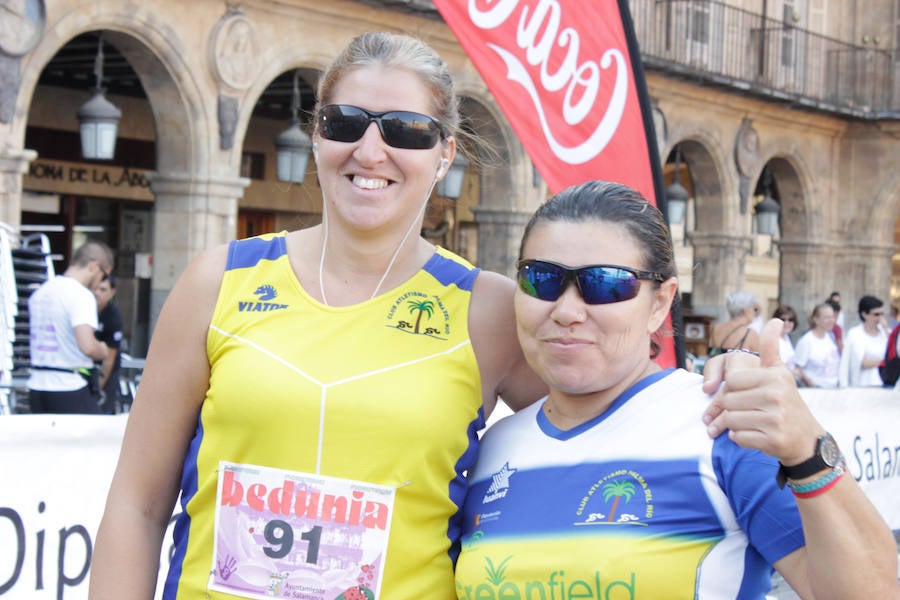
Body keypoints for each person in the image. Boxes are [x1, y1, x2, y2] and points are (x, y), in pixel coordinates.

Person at [88, 32, 549, 599]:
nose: (370, 152)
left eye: (405, 130)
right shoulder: (218, 282)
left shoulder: (490, 310)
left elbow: (603, 421)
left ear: (445, 152)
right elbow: (137, 505)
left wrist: (692, 403)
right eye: (345, 123)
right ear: (316, 136)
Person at [455, 181, 898, 599]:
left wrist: (807, 448)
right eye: (542, 279)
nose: (567, 310)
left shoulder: (722, 424)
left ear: (661, 303)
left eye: (606, 284)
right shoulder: (493, 449)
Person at [27, 239, 111, 414]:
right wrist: (102, 350)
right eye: (104, 276)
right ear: (94, 266)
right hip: (69, 386)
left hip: (37, 385)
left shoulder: (41, 292)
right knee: (94, 439)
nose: (99, 285)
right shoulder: (81, 295)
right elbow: (87, 346)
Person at [838, 295, 888, 387]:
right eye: (876, 314)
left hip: (884, 383)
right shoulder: (854, 334)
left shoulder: (884, 333)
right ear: (864, 314)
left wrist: (886, 330)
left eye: (881, 314)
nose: (880, 318)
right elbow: (858, 362)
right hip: (862, 384)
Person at [94, 274, 125, 413]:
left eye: (103, 290)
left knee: (103, 410)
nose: (97, 293)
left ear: (112, 292)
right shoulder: (85, 309)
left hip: (107, 370)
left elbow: (110, 357)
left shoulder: (113, 317)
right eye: (95, 288)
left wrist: (99, 386)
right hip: (87, 367)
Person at [793, 303, 841, 388]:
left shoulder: (830, 338)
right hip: (815, 391)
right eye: (827, 317)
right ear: (816, 319)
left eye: (832, 317)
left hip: (833, 388)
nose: (831, 320)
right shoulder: (806, 341)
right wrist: (812, 385)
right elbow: (798, 368)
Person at [707, 290, 760, 356]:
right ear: (745, 311)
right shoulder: (751, 334)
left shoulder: (715, 329)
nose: (755, 313)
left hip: (714, 365)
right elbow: (759, 362)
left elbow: (710, 355)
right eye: (755, 309)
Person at [772, 303, 798, 369]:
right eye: (783, 319)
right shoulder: (773, 339)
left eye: (790, 320)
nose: (787, 323)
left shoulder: (787, 338)